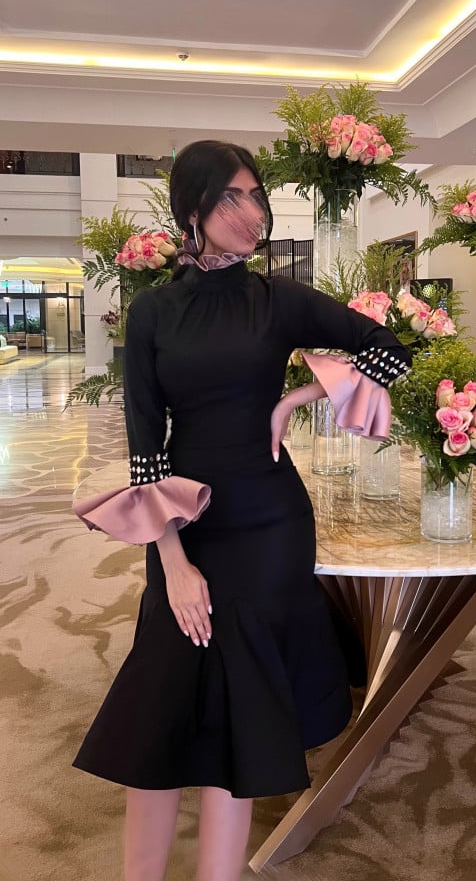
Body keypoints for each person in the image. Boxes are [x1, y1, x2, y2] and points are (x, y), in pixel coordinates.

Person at [73, 140, 411, 881]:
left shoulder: (277, 299)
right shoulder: (153, 312)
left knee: (243, 707)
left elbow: (389, 349)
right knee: (163, 701)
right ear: (193, 208)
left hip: (269, 525)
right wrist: (174, 565)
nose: (252, 212)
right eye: (234, 196)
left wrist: (298, 398)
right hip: (185, 526)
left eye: (258, 196)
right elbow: (145, 453)